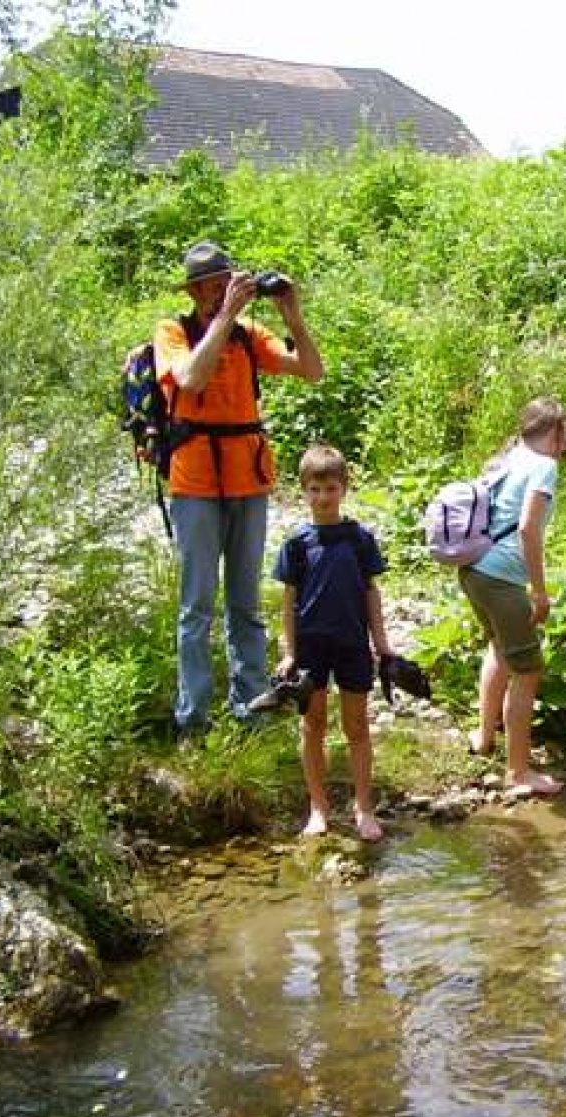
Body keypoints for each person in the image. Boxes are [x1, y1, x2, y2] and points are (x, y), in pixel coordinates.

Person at [154, 240, 324, 743]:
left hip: (249, 479)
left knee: (246, 603)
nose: (213, 294)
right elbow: (190, 377)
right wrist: (225, 317)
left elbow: (313, 373)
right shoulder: (174, 332)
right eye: (205, 287)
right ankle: (194, 719)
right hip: (196, 484)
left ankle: (249, 709)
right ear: (192, 291)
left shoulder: (251, 336)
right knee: (196, 606)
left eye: (221, 284)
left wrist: (292, 316)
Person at [272, 445, 395, 841]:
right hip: (311, 647)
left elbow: (371, 592)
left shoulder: (360, 539)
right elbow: (288, 601)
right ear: (303, 491)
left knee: (357, 725)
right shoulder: (296, 544)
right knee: (313, 724)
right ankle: (318, 807)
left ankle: (363, 808)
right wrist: (289, 652)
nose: (322, 497)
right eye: (314, 489)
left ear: (344, 488)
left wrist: (381, 641)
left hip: (353, 644)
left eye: (330, 488)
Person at [460, 397, 566, 798]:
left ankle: (484, 735)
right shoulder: (544, 466)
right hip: (503, 577)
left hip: (473, 570)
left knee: (499, 648)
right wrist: (539, 591)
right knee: (527, 672)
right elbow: (529, 528)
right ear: (557, 431)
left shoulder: (509, 458)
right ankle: (518, 772)